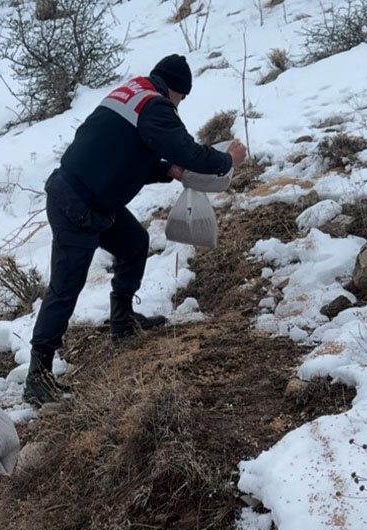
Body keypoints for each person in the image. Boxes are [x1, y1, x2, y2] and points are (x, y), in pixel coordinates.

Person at [23, 54, 247, 406]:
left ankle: (122, 320)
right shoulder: (156, 107)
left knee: (134, 243)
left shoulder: (132, 93)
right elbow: (189, 152)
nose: (179, 105)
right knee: (66, 287)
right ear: (177, 90)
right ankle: (38, 374)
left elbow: (121, 155)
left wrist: (165, 171)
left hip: (87, 196)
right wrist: (228, 160)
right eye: (182, 98)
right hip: (77, 205)